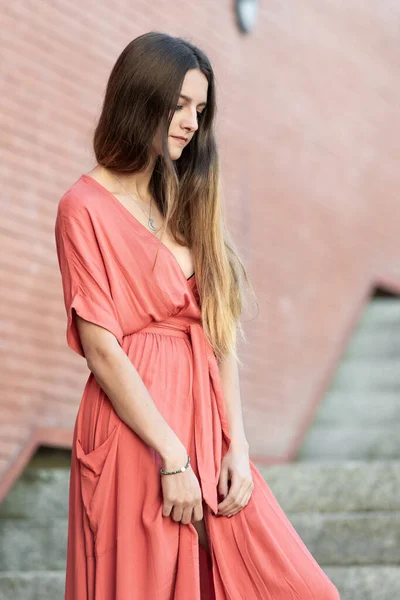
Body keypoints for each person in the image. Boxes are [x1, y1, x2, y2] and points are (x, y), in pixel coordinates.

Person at [55, 31, 340, 600]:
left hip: (206, 420)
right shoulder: (82, 208)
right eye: (179, 105)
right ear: (139, 99)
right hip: (137, 432)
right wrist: (172, 456)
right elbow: (103, 349)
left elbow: (219, 334)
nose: (190, 122)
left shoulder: (188, 199)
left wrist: (238, 443)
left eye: (200, 110)